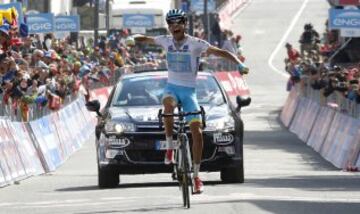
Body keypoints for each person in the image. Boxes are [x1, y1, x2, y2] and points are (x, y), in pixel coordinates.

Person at [129, 9, 249, 194]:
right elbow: (144, 38)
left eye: (178, 23)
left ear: (184, 24)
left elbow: (221, 52)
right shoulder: (165, 40)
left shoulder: (195, 44)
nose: (174, 26)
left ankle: (196, 176)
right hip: (172, 88)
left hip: (189, 93)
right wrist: (133, 38)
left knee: (198, 132)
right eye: (171, 24)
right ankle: (169, 147)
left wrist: (239, 64)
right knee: (168, 104)